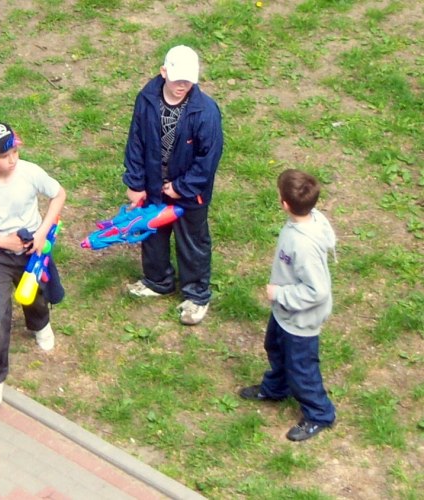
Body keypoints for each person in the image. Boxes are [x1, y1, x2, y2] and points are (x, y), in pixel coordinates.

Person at [0, 122, 66, 408]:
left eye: (15, 151)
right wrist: (2, 242)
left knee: (36, 294)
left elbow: (59, 195)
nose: (13, 158)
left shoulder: (30, 172)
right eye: (5, 155)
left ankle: (40, 324)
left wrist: (42, 232)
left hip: (32, 247)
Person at [122, 45, 223, 325]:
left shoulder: (206, 112)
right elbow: (136, 142)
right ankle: (157, 280)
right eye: (178, 80)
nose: (183, 86)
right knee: (152, 233)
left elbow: (208, 159)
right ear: (163, 72)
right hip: (154, 187)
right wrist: (135, 182)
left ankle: (196, 295)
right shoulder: (146, 100)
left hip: (190, 195)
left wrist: (182, 187)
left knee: (192, 241)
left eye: (189, 80)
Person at [239, 169, 337, 442]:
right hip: (285, 315)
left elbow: (317, 291)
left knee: (301, 368)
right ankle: (276, 388)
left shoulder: (303, 244)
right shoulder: (304, 221)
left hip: (301, 320)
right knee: (275, 347)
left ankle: (320, 413)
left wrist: (280, 293)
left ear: (284, 203)